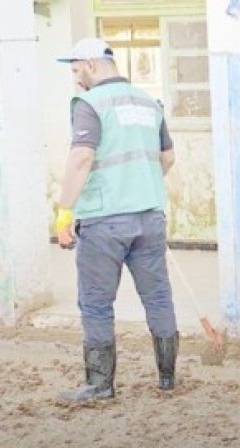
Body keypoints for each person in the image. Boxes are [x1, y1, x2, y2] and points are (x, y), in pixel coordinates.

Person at [54, 37, 179, 401]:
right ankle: (167, 378)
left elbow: (81, 159)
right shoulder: (148, 102)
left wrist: (64, 211)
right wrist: (141, 185)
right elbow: (167, 159)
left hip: (104, 220)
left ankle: (99, 385)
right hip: (149, 217)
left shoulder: (90, 103)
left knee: (95, 303)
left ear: (91, 65)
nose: (77, 79)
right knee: (157, 297)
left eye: (77, 70)